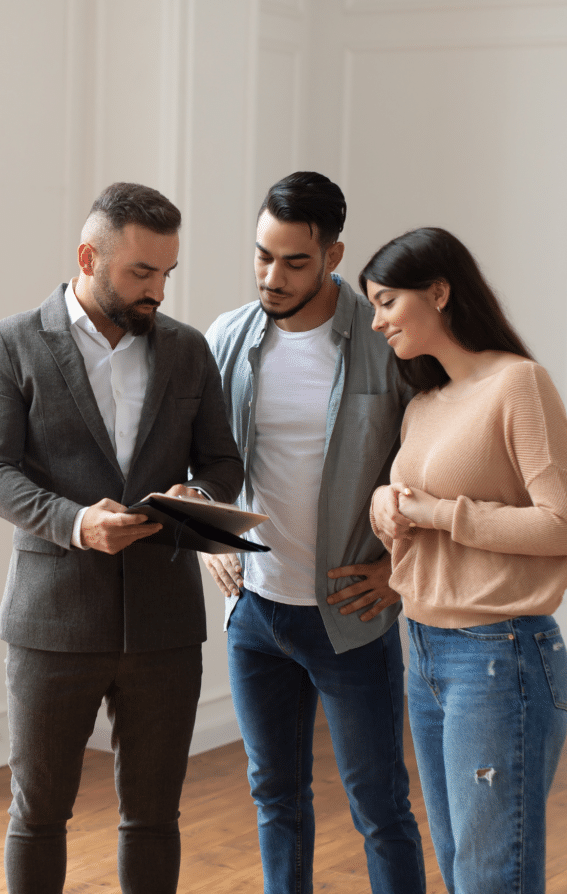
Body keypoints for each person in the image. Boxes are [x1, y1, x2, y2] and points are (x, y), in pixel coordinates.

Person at [0, 182, 244, 894]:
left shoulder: (185, 350)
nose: (156, 290)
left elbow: (221, 462)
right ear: (89, 257)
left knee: (154, 816)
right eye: (140, 273)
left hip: (164, 626)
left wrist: (200, 496)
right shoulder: (12, 343)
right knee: (39, 814)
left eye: (166, 274)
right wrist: (75, 523)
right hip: (50, 619)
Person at [203, 171, 426, 894]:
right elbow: (202, 461)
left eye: (294, 261)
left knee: (380, 808)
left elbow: (435, 468)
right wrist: (209, 536)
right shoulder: (226, 338)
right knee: (276, 799)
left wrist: (397, 573)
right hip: (256, 614)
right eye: (262, 255)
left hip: (350, 615)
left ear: (332, 256)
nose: (272, 275)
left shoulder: (383, 340)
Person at [361, 226, 567, 894]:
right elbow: (413, 499)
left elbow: (566, 524)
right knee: (463, 865)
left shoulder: (518, 384)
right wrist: (384, 503)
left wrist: (436, 513)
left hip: (498, 654)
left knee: (493, 875)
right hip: (425, 648)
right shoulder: (425, 402)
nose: (376, 321)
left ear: (437, 291)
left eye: (385, 302)